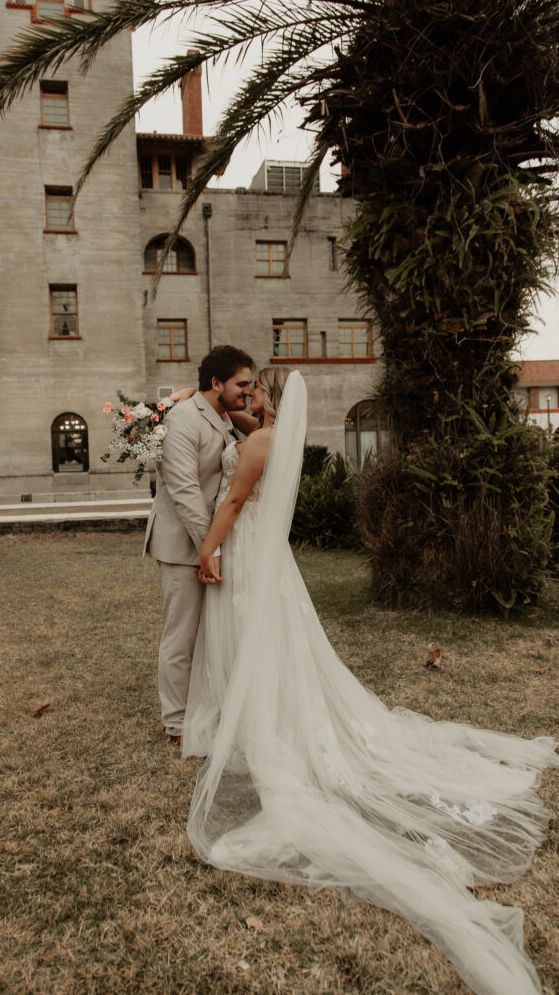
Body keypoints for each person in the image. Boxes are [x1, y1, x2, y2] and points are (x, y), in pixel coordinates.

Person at [179, 366, 558, 995]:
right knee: (280, 650)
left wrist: (206, 550)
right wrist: (220, 410)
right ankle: (267, 718)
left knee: (260, 648)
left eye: (254, 389)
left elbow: (236, 500)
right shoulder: (275, 435)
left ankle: (268, 729)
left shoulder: (256, 445)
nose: (246, 397)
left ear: (267, 395)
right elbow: (244, 431)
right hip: (278, 565)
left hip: (247, 553)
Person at [143, 344, 254, 744]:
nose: (247, 390)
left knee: (213, 633)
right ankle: (175, 722)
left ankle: (208, 707)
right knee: (181, 635)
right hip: (181, 545)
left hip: (211, 542)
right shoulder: (182, 419)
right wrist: (213, 549)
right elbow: (186, 492)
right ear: (216, 382)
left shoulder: (223, 417)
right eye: (241, 384)